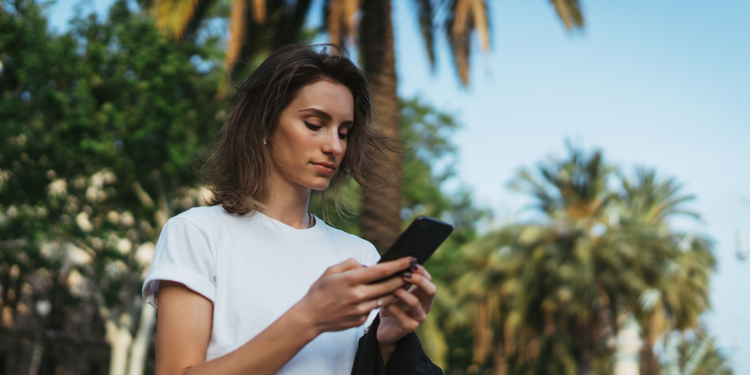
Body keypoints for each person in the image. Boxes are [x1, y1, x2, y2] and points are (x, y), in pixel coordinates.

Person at [142, 45, 441, 375]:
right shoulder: (198, 233)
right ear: (265, 124)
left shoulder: (359, 255)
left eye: (344, 131)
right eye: (315, 125)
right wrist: (310, 318)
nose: (335, 146)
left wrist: (386, 343)